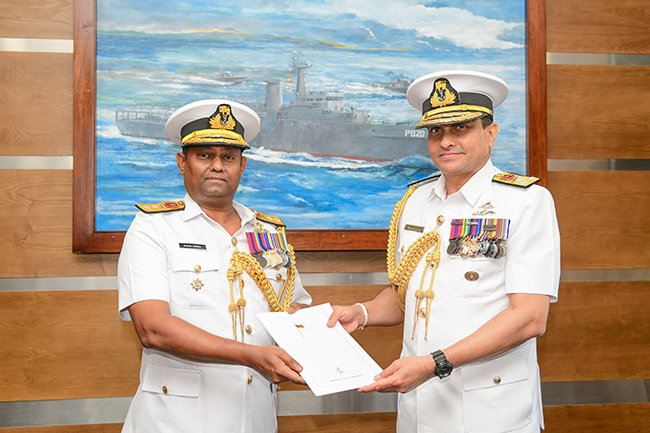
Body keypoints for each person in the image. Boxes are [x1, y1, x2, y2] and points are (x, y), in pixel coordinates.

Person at [328, 71, 560, 433]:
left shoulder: (525, 202)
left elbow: (530, 317)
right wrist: (360, 313)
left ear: (491, 133)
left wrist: (433, 363)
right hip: (419, 406)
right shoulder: (415, 201)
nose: (446, 141)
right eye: (436, 131)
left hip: (490, 409)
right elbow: (413, 294)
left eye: (461, 128)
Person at [117, 99, 312, 433]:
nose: (218, 166)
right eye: (205, 155)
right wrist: (251, 355)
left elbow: (292, 311)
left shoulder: (269, 232)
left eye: (228, 157)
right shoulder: (153, 227)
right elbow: (152, 328)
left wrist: (317, 345)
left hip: (255, 418)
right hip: (176, 421)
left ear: (243, 165)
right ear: (182, 162)